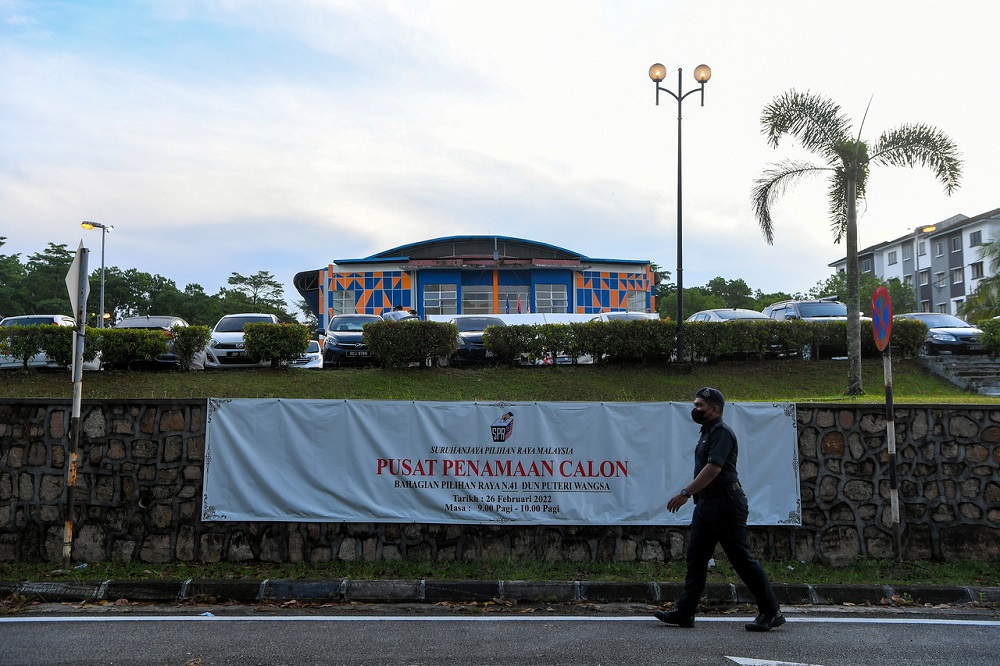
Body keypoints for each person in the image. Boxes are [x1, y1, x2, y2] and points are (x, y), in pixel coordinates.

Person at [655, 387, 785, 632]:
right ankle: (685, 612)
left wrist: (685, 493)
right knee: (696, 558)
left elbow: (713, 469)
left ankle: (771, 611)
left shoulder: (722, 432)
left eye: (700, 406)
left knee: (741, 560)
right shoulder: (707, 432)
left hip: (726, 503)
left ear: (715, 409)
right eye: (695, 404)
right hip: (707, 503)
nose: (696, 409)